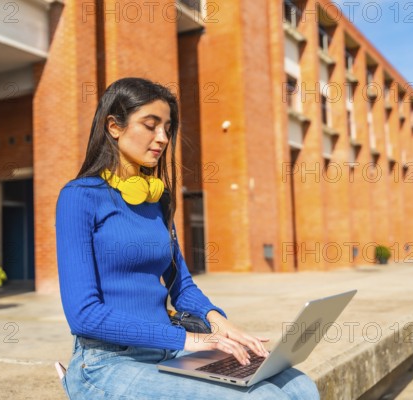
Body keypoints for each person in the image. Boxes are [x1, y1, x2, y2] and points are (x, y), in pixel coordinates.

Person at [55, 77, 320, 399]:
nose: (163, 138)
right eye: (150, 125)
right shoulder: (79, 197)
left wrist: (220, 323)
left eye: (167, 128)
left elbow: (181, 285)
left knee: (298, 385)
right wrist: (191, 340)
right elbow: (84, 315)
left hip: (168, 350)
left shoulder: (157, 199)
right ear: (114, 126)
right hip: (108, 362)